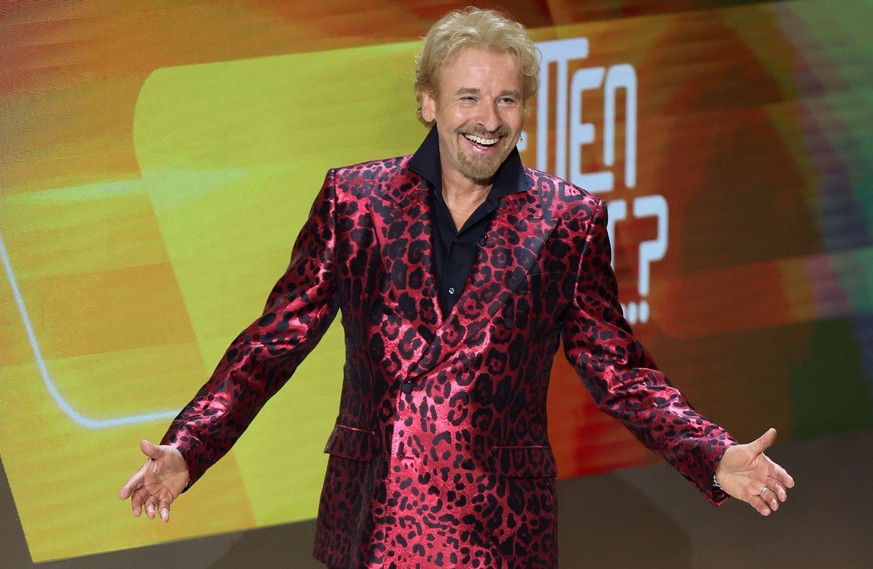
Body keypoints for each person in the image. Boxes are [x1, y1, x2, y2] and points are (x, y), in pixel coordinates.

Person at [119, 7, 795, 568]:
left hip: (500, 526)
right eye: (468, 96)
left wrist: (711, 452)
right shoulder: (355, 199)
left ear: (525, 107)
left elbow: (617, 370)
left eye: (506, 99)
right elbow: (275, 340)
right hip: (372, 517)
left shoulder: (567, 220)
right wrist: (191, 444)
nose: (488, 118)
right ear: (428, 102)